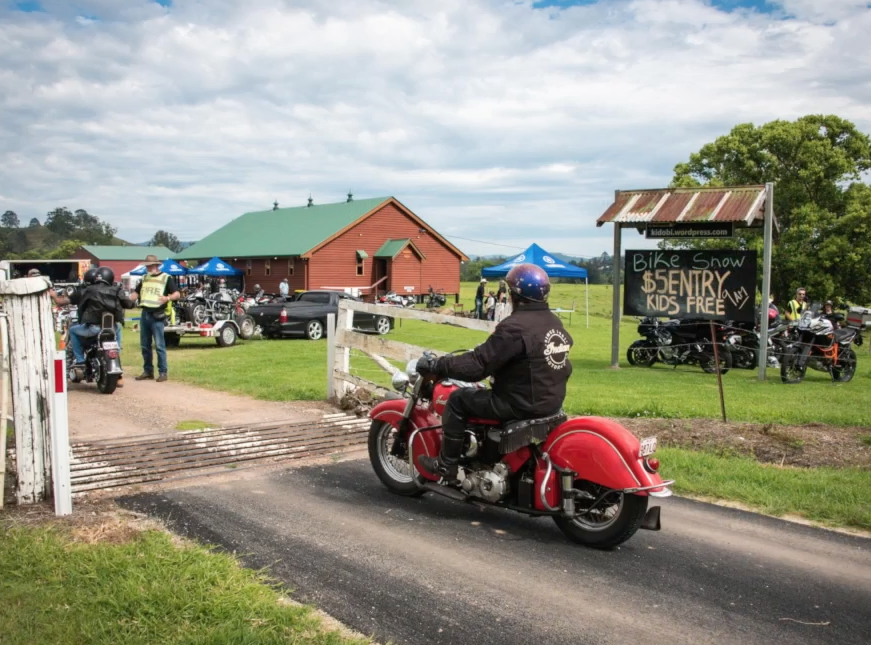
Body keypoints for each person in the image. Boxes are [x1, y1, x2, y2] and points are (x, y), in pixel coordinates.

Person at [415, 263, 574, 479]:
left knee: (457, 400)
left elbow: (478, 366)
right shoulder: (553, 322)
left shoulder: (515, 326)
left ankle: (446, 465)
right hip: (551, 402)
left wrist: (438, 365)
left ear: (515, 295)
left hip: (518, 404)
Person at [52, 267, 134, 382]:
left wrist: (82, 318)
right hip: (112, 328)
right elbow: (129, 304)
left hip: (94, 328)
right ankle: (117, 354)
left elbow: (80, 306)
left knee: (73, 330)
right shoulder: (117, 289)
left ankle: (80, 361)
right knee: (119, 328)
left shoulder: (89, 290)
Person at [128, 255, 180, 382]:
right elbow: (135, 294)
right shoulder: (144, 278)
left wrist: (167, 298)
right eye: (146, 266)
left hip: (157, 314)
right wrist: (125, 299)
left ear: (156, 266)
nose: (147, 268)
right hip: (145, 313)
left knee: (159, 345)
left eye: (149, 266)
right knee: (145, 345)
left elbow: (177, 294)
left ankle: (163, 372)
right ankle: (148, 371)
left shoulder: (166, 278)